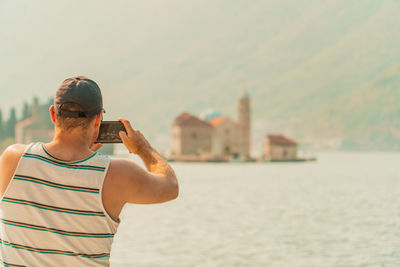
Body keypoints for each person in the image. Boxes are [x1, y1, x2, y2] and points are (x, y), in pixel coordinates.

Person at [0, 76, 179, 266]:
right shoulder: (118, 174)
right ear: (98, 119)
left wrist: (81, 163)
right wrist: (142, 148)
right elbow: (170, 186)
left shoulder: (13, 159)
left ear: (53, 114)